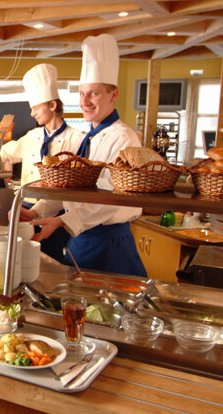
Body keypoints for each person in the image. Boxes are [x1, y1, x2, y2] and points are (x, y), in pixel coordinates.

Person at [25, 35, 146, 276]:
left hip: (109, 246)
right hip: (81, 241)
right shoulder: (88, 138)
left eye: (94, 94)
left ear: (113, 95)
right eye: (81, 94)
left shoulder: (124, 138)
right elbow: (70, 187)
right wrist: (36, 212)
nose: (85, 102)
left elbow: (113, 200)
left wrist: (62, 221)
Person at [0, 64, 84, 262]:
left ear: (53, 106)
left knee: (50, 261)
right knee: (23, 259)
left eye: (36, 108)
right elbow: (5, 153)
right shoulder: (32, 136)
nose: (32, 114)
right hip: (25, 209)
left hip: (55, 213)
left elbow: (71, 188)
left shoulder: (77, 139)